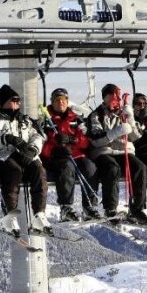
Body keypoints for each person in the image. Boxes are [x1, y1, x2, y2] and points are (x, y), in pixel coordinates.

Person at [0, 84, 51, 237]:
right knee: (13, 172)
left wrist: (33, 149)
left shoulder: (25, 120)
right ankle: (10, 215)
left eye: (19, 100)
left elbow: (38, 136)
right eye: (14, 100)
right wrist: (6, 139)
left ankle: (39, 213)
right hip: (4, 156)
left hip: (25, 154)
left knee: (39, 171)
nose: (18, 103)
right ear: (4, 102)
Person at [86, 84, 147, 223]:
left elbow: (136, 137)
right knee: (112, 169)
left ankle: (137, 209)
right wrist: (116, 132)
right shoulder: (96, 115)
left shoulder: (122, 114)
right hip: (104, 152)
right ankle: (110, 209)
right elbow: (96, 140)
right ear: (105, 97)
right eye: (112, 95)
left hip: (124, 151)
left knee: (140, 168)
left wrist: (130, 117)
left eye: (117, 96)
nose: (115, 99)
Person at [40, 88, 101, 222]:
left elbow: (85, 141)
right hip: (56, 157)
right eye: (57, 100)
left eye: (63, 100)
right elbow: (41, 144)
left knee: (90, 167)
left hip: (75, 154)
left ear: (67, 102)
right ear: (53, 102)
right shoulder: (46, 120)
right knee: (67, 167)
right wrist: (54, 146)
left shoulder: (76, 119)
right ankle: (66, 207)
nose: (60, 103)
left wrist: (71, 140)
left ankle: (89, 207)